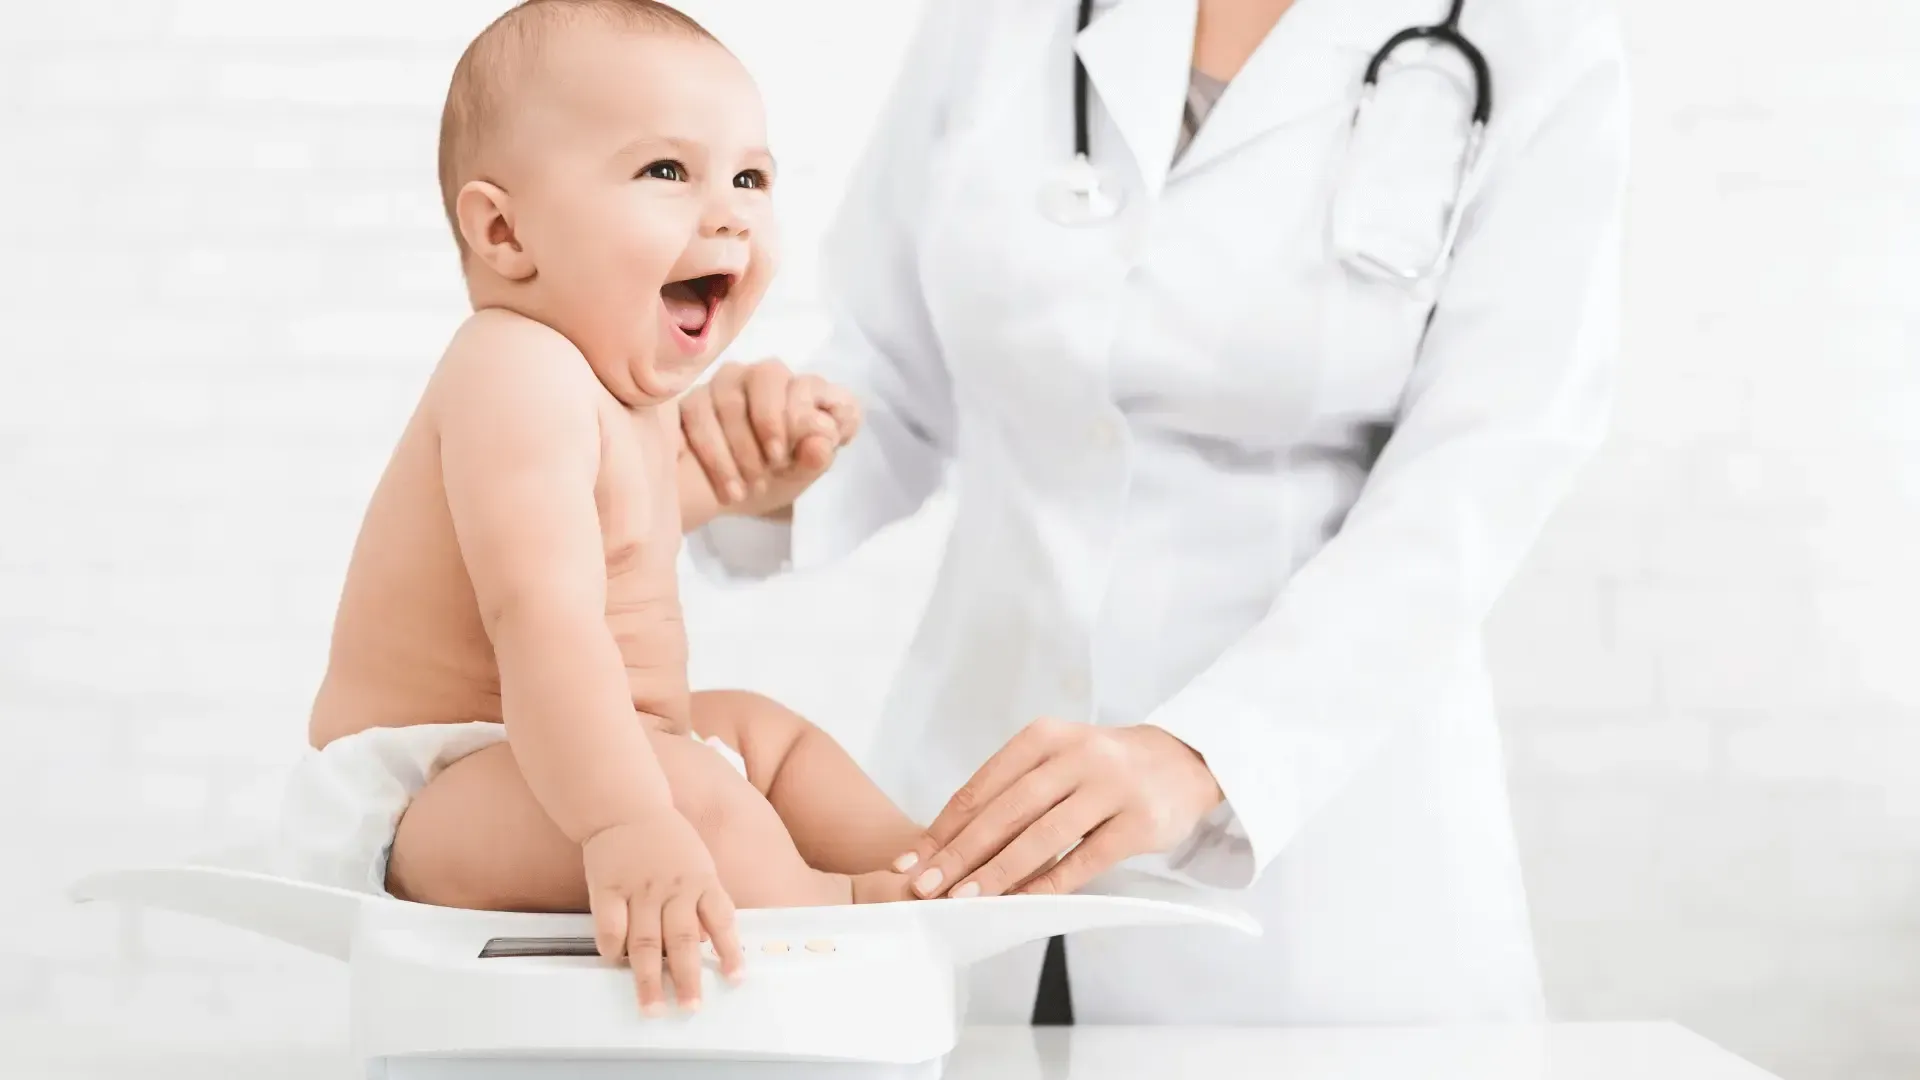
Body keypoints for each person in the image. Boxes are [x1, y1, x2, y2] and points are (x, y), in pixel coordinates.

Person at [678, 0, 1630, 1026]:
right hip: (964, 821)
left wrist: (1207, 751)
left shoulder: (1531, 40)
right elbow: (891, 380)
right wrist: (774, 462)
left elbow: (1474, 481)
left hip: (1318, 868)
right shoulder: (999, 22)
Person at [273, 0, 921, 1021]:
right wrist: (624, 822)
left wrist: (765, 470)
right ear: (503, 229)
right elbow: (541, 615)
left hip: (594, 752)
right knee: (696, 800)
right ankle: (852, 910)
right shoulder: (513, 369)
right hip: (437, 791)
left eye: (750, 177)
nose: (728, 213)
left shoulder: (628, 394)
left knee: (765, 734)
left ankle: (926, 859)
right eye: (667, 172)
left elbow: (635, 525)